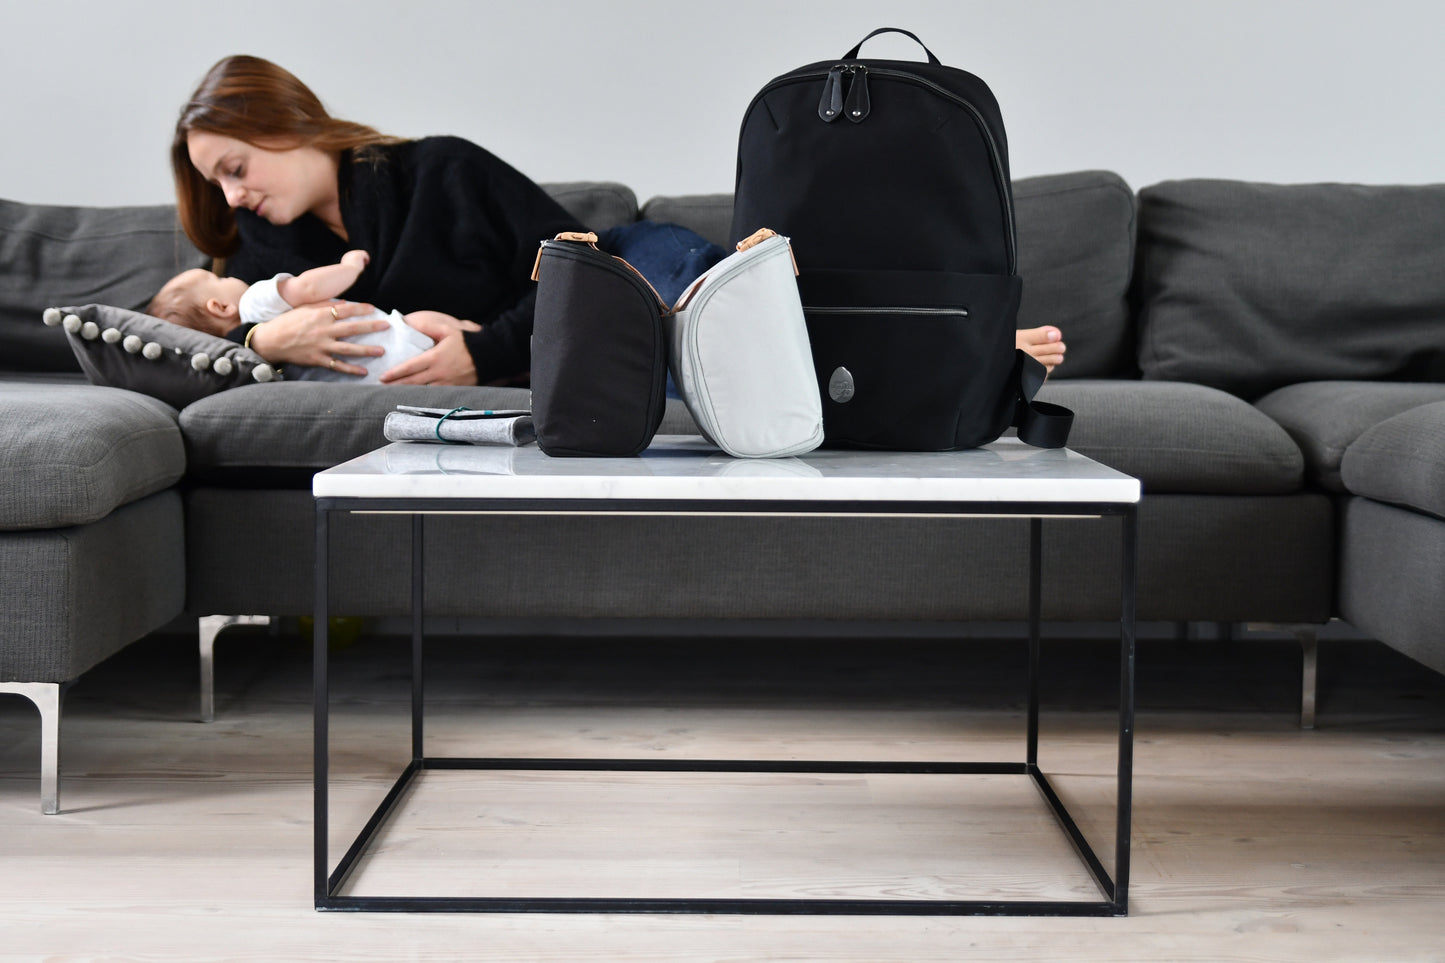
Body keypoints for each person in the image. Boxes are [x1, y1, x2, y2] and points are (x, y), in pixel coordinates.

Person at [171, 55, 584, 385]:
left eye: (236, 169)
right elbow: (196, 340)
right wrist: (262, 340)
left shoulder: (445, 171)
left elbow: (582, 268)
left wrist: (487, 351)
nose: (231, 196)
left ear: (287, 123)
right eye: (216, 183)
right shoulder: (255, 243)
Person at [147, 250, 438, 382]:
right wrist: (349, 267)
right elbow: (307, 287)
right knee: (433, 323)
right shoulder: (254, 302)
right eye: (220, 279)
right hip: (397, 337)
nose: (231, 277)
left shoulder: (259, 365)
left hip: (375, 380)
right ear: (220, 306)